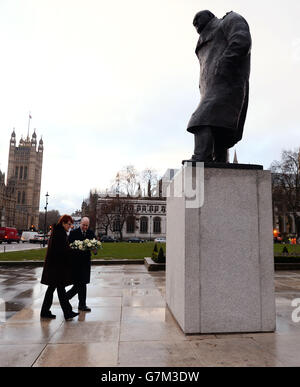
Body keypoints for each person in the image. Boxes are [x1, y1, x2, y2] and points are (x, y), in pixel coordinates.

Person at [187, 10, 252, 162]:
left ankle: (201, 156)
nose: (195, 22)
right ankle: (220, 160)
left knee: (202, 119)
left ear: (210, 16)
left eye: (198, 17)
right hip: (211, 86)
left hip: (228, 81)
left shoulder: (230, 19)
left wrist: (225, 63)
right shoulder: (204, 41)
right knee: (219, 124)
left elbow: (241, 41)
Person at [40, 214, 80, 321]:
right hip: (56, 267)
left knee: (53, 289)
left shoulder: (58, 231)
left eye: (71, 224)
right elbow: (62, 250)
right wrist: (74, 251)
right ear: (63, 223)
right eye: (69, 224)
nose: (70, 226)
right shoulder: (60, 233)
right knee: (59, 289)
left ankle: (46, 311)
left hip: (55, 267)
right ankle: (67, 312)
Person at [66, 217, 95, 312]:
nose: (85, 227)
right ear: (80, 224)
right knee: (80, 284)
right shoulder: (73, 233)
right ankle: (67, 297)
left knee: (83, 283)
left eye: (87, 225)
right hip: (76, 262)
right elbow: (69, 247)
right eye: (84, 225)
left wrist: (95, 250)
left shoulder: (90, 233)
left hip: (86, 262)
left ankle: (81, 304)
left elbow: (94, 247)